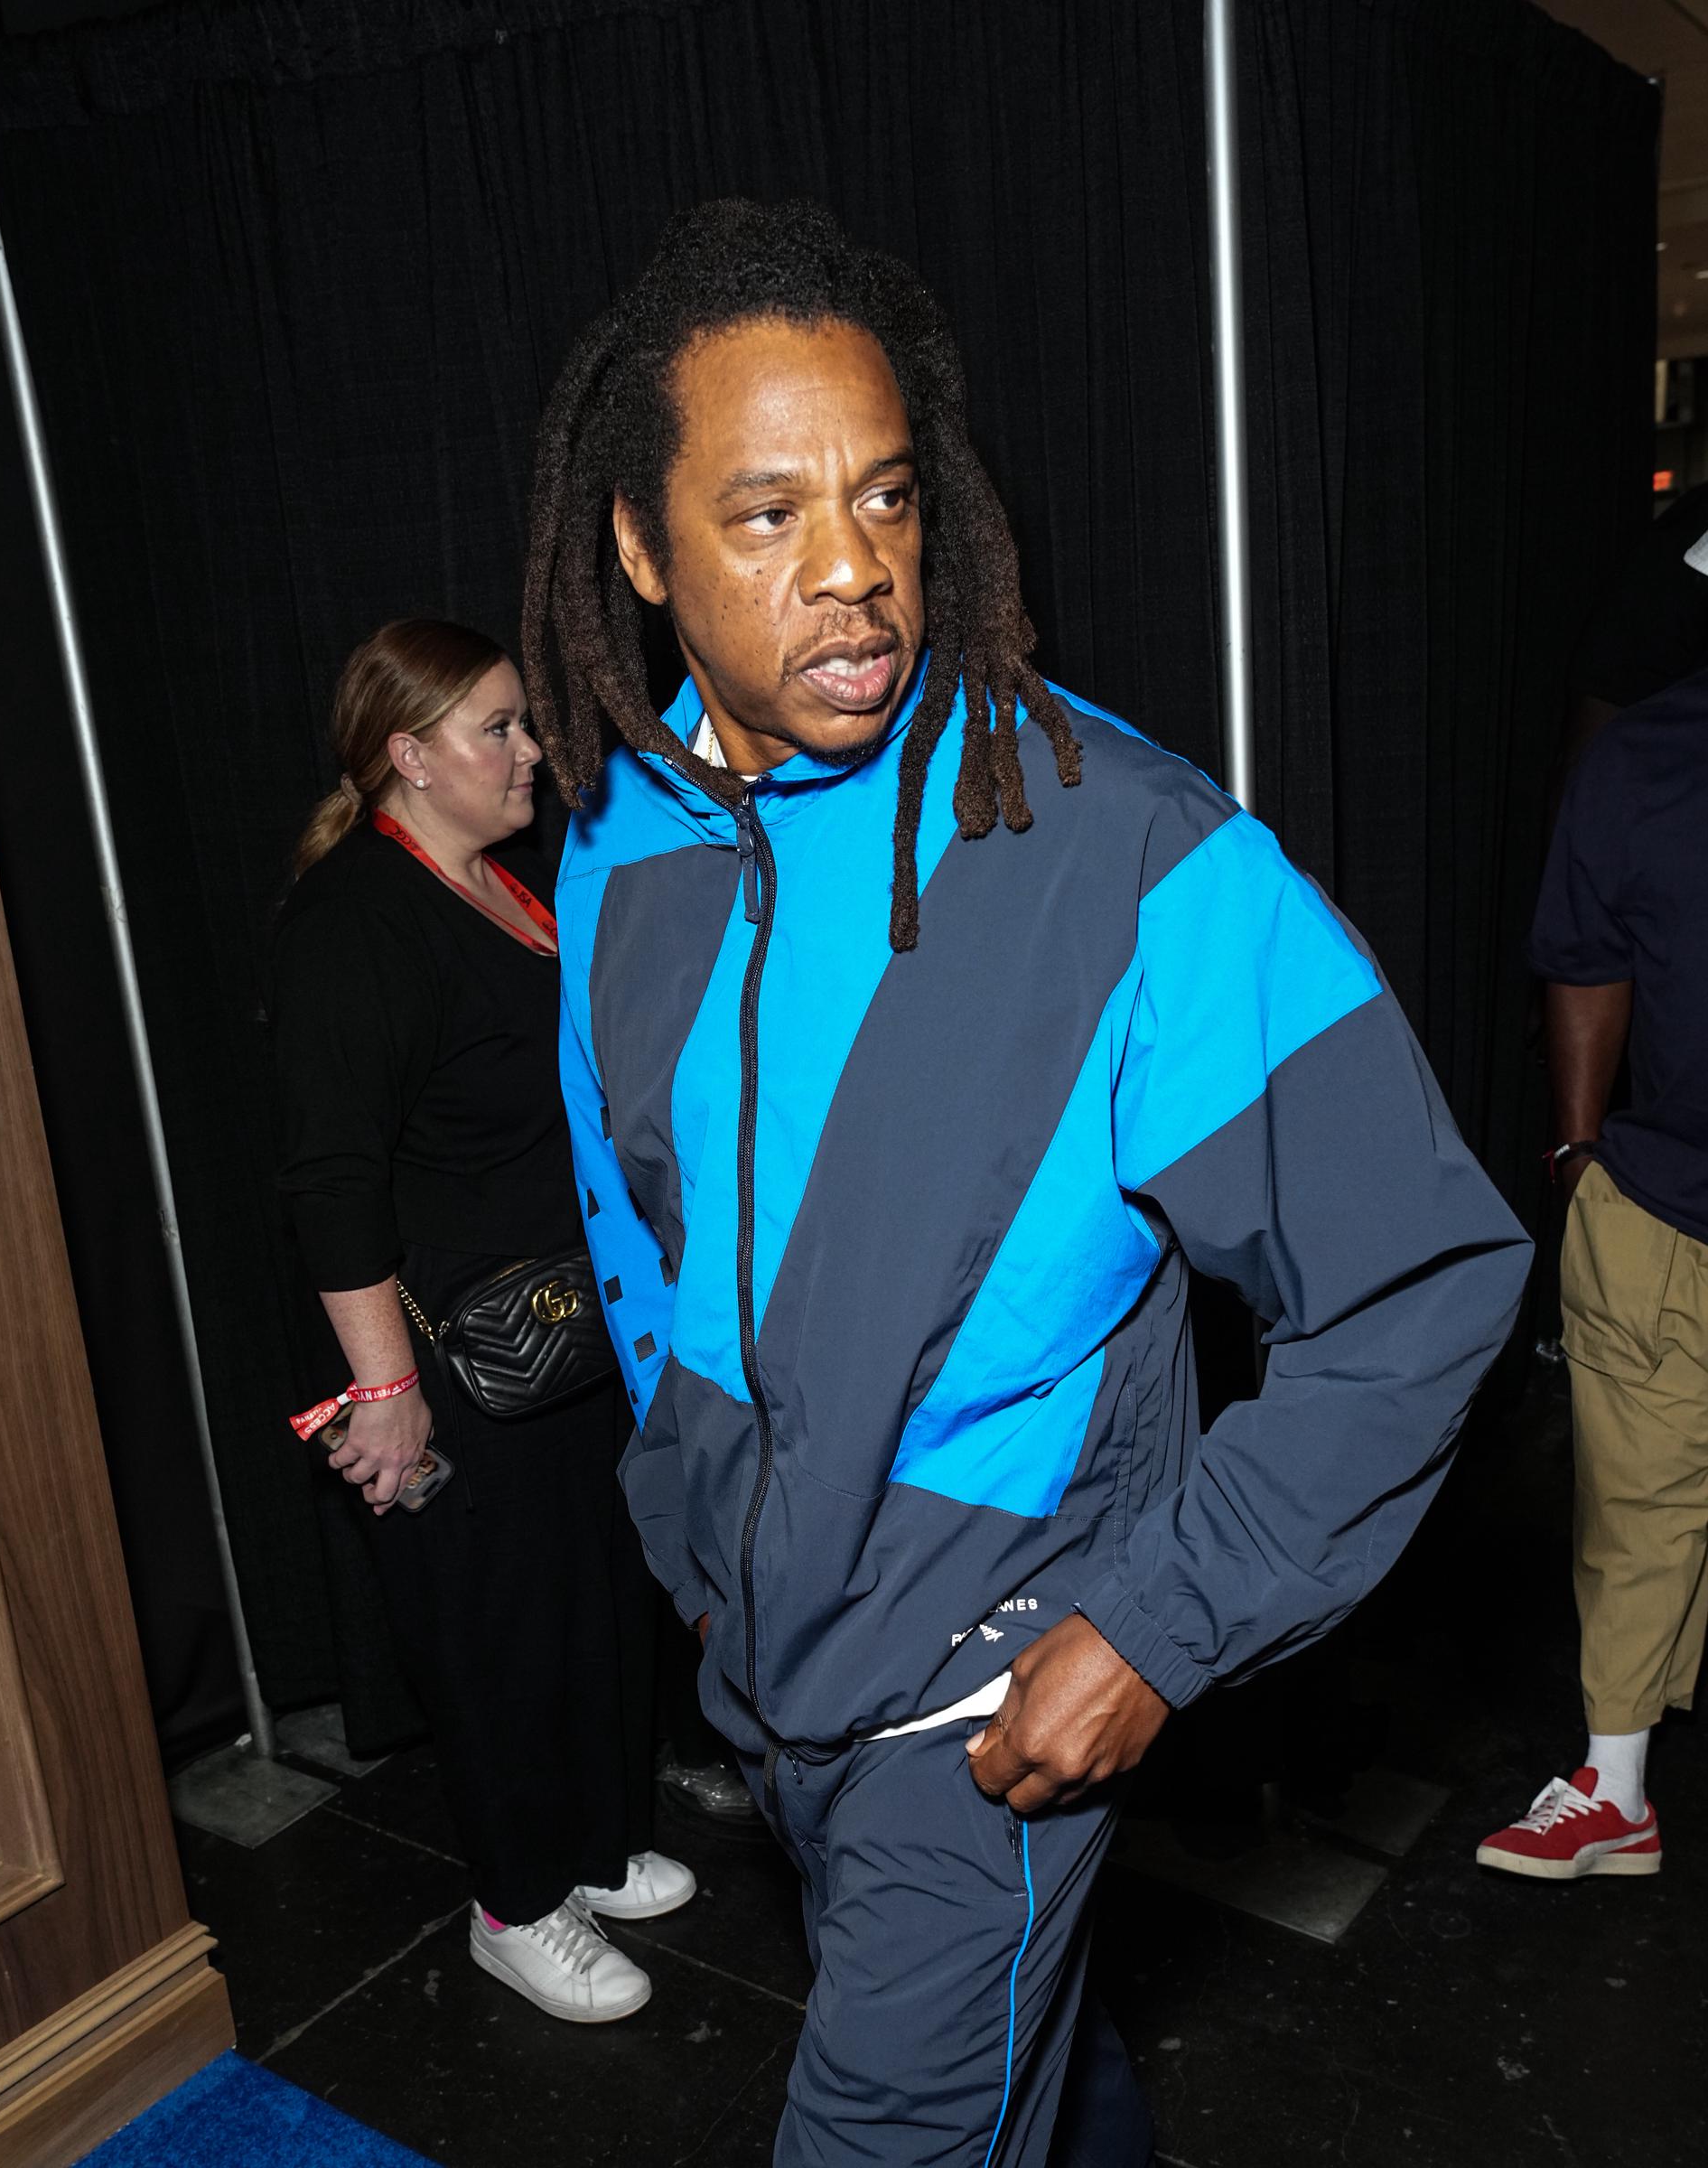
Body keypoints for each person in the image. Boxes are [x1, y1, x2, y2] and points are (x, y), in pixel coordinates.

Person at [525, 201, 1531, 2163]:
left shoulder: (1122, 845)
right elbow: (635, 1223)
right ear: (639, 548)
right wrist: (691, 1541)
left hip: (975, 1706)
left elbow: (1420, 1278)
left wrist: (1159, 1624)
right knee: (1041, 2077)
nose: (855, 571)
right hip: (763, 1660)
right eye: (768, 515)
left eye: (888, 499)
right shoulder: (618, 835)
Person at [270, 618, 693, 2023]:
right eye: (498, 728)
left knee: (592, 1601)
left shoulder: (503, 881)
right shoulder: (354, 922)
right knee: (493, 1633)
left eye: (525, 721)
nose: (531, 749)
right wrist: (386, 1395)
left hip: (566, 1332)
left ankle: (593, 1847)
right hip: (453, 1360)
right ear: (408, 755)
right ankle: (515, 1905)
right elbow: (330, 1181)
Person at [1477, 662, 1708, 1882]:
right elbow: (1584, 955)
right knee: (1633, 1499)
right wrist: (1576, 1155)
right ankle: (1614, 1789)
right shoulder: (1641, 758)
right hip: (1663, 1200)